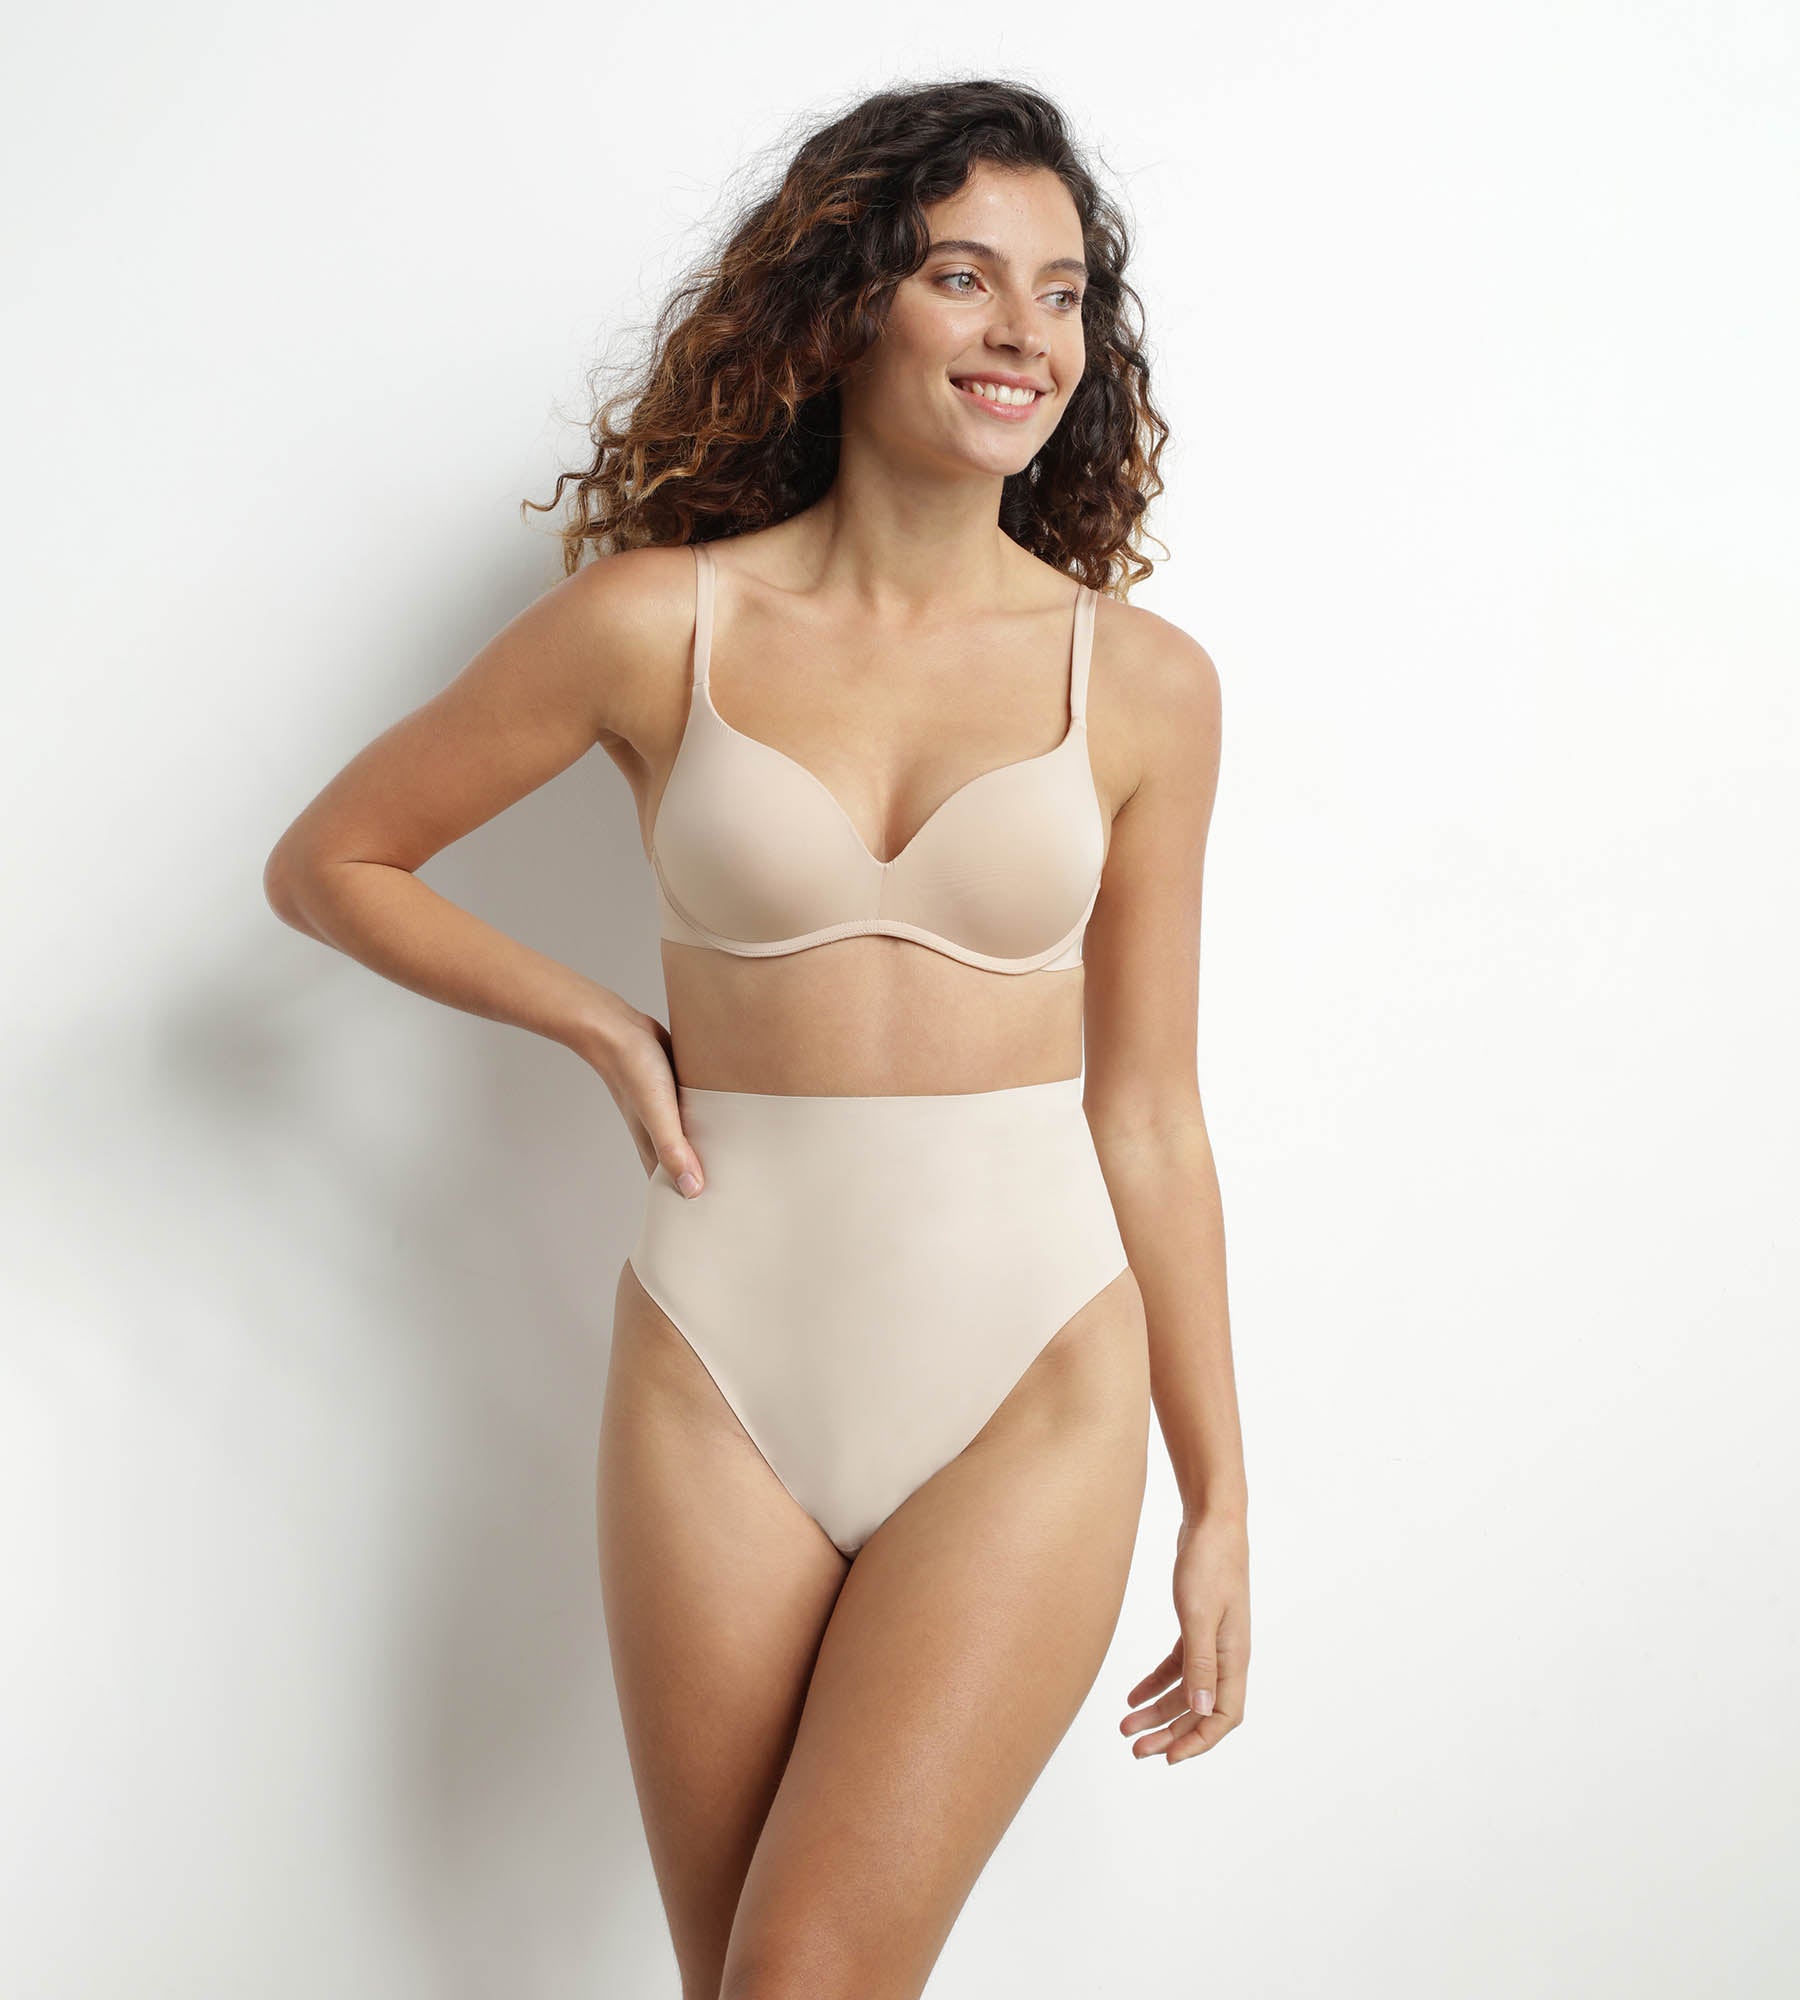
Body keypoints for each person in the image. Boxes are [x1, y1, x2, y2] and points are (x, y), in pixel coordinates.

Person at [265, 77, 1248, 2000]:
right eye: (963, 276)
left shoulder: (1140, 684)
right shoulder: (656, 627)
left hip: (1033, 1374)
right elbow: (333, 864)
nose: (1024, 333)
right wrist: (594, 1024)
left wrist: (1218, 1500)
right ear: (846, 300)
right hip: (716, 1368)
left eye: (1062, 293)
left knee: (804, 1972)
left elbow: (1149, 1113)